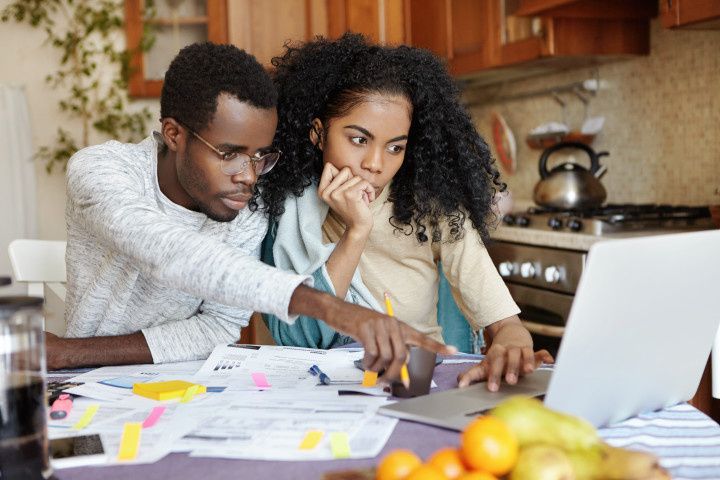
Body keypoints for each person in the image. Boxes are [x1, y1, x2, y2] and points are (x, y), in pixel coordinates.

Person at [48, 42, 453, 377]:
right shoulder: (101, 171)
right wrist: (331, 308)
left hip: (192, 386)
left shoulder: (248, 207)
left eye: (261, 155)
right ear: (174, 134)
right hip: (85, 381)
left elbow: (219, 325)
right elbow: (168, 252)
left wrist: (68, 351)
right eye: (229, 153)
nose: (248, 176)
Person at [259, 34, 552, 391]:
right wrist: (356, 231)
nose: (375, 164)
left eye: (395, 147)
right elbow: (299, 339)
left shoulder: (431, 207)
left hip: (420, 381)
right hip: (326, 388)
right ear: (319, 133)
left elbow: (506, 324)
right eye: (358, 139)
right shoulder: (285, 210)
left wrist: (512, 342)